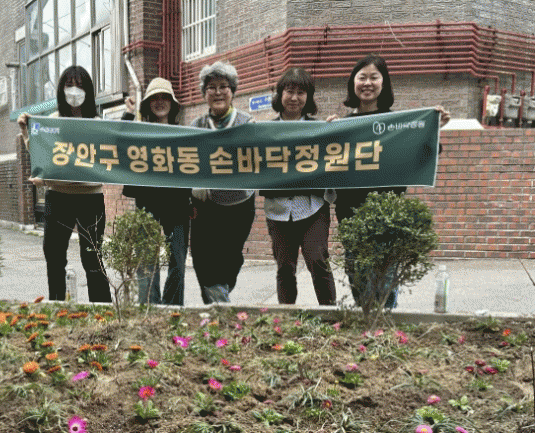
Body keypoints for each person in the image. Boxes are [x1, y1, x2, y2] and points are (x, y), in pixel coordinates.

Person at [329, 54, 450, 308]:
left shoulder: (400, 125)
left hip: (388, 218)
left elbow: (425, 154)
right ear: (353, 83)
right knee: (358, 280)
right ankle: (369, 322)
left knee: (385, 284)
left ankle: (384, 323)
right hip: (350, 216)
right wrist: (327, 134)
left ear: (384, 83)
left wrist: (432, 129)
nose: (367, 83)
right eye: (362, 77)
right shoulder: (342, 125)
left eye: (374, 77)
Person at [17, 66, 112, 303]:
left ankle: (103, 312)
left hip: (91, 197)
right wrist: (27, 134)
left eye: (80, 85)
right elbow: (41, 156)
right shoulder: (51, 122)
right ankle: (58, 307)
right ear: (61, 89)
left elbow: (109, 158)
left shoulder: (98, 123)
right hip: (58, 196)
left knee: (93, 259)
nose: (74, 91)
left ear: (88, 90)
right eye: (70, 85)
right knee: (54, 257)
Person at [260, 67, 336, 305]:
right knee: (284, 268)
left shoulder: (320, 128)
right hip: (278, 210)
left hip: (313, 207)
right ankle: (286, 318)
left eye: (301, 92)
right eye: (289, 91)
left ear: (308, 97)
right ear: (280, 94)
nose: (294, 98)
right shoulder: (263, 132)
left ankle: (330, 316)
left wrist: (336, 130)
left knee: (318, 261)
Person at [189, 61, 255, 304]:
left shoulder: (248, 124)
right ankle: (217, 307)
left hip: (239, 205)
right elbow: (187, 164)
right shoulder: (196, 126)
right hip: (205, 206)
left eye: (223, 86)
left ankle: (219, 299)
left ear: (232, 91)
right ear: (204, 93)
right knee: (202, 260)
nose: (218, 92)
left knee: (231, 260)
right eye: (212, 87)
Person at [121, 78, 190, 305]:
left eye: (164, 97)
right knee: (146, 261)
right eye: (154, 98)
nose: (160, 102)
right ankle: (149, 308)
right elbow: (119, 140)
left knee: (178, 262)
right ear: (147, 104)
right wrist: (128, 114)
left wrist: (192, 201)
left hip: (177, 203)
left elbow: (194, 169)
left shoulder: (184, 134)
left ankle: (173, 309)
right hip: (147, 201)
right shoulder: (140, 132)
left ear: (173, 103)